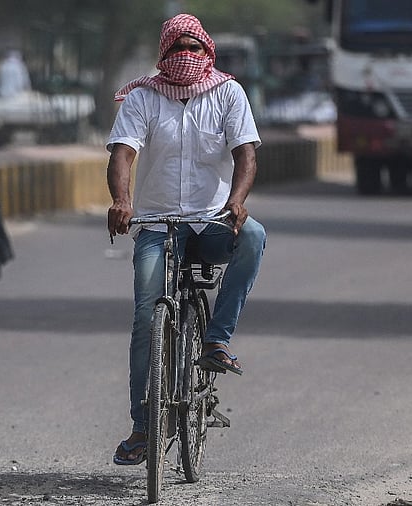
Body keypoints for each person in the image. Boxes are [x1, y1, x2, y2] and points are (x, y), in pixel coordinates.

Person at [105, 13, 266, 466]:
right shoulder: (141, 98)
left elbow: (245, 154)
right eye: (177, 48)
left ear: (208, 51)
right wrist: (121, 199)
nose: (186, 56)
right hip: (157, 223)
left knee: (253, 235)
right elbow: (123, 153)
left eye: (194, 48)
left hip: (212, 220)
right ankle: (142, 426)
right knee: (145, 315)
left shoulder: (228, 93)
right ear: (164, 54)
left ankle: (216, 340)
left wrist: (236, 201)